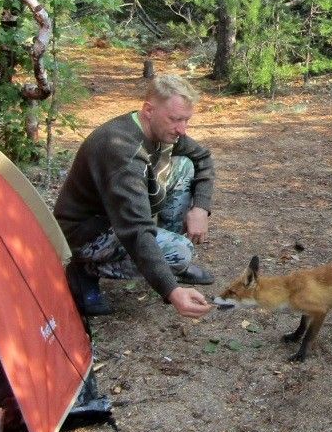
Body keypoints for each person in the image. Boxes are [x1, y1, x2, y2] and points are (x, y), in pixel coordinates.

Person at [54, 74, 215, 319]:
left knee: (185, 166)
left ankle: (167, 263)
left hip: (121, 215)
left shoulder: (162, 131)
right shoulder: (121, 150)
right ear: (148, 110)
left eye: (186, 120)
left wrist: (200, 208)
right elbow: (136, 229)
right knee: (180, 252)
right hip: (86, 233)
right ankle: (84, 270)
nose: (182, 129)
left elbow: (202, 158)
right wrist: (171, 291)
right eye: (175, 120)